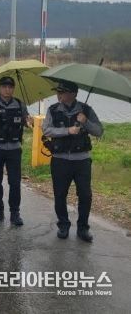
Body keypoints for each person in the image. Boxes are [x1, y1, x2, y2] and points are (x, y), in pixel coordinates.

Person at [42, 81, 103, 242]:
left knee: (85, 195)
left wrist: (85, 122)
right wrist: (67, 130)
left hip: (82, 161)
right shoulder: (53, 110)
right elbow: (46, 129)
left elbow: (99, 131)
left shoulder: (86, 110)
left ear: (73, 94)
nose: (58, 95)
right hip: (60, 160)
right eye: (58, 92)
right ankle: (63, 225)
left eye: (62, 92)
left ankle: (83, 228)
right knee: (60, 194)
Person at [0, 76, 32, 226]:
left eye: (10, 87)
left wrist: (29, 121)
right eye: (4, 87)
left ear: (13, 88)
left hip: (14, 149)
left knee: (15, 182)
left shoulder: (19, 104)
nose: (7, 90)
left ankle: (15, 213)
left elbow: (26, 122)